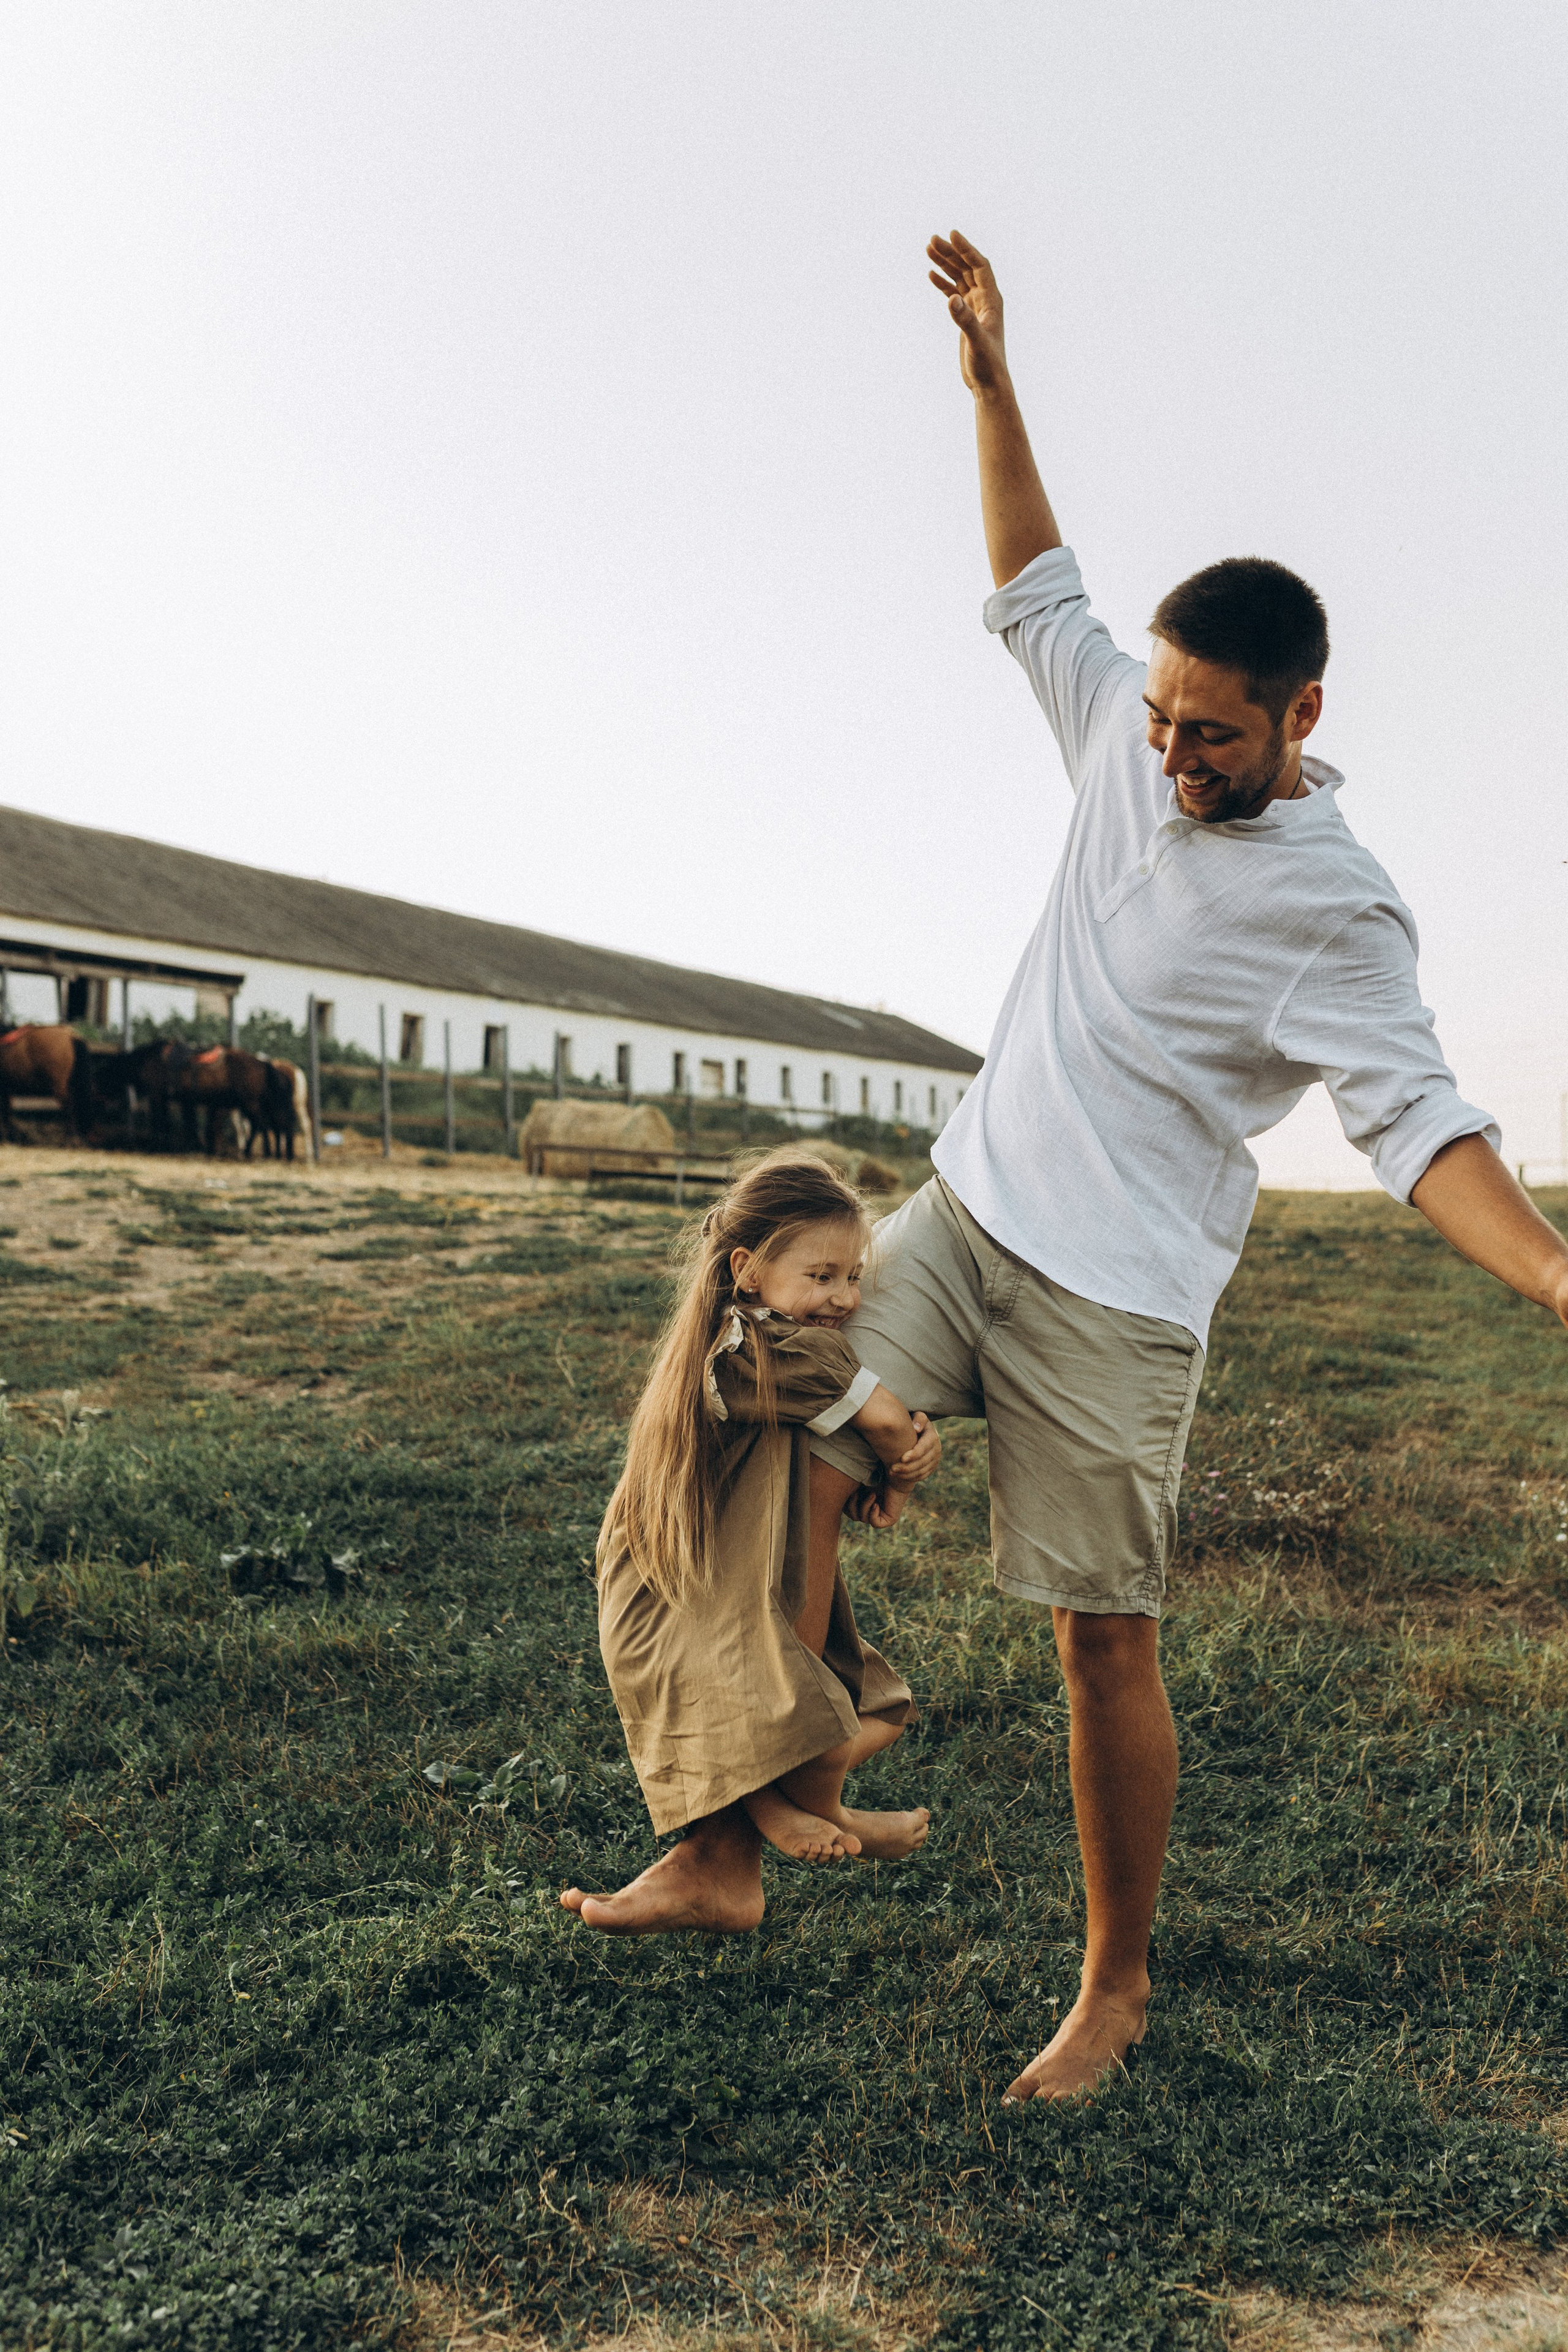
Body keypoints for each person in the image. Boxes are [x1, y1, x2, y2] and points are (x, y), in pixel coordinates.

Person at [803, 230, 1568, 2102]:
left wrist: (1550, 1274)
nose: (1169, 753)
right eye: (1157, 715)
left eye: (1208, 733)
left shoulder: (1336, 905)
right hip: (961, 1211)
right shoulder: (1118, 737)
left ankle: (1115, 1981)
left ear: (1299, 716)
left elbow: (1419, 1123)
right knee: (775, 1453)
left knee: (1097, 1641)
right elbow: (1029, 581)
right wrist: (990, 372)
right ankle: (759, 1812)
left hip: (1115, 1296)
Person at [561, 1149, 941, 1936]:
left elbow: (887, 1425)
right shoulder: (757, 1352)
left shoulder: (765, 1336)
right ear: (747, 1268)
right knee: (776, 1707)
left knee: (874, 1709)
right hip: (667, 1584)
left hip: (713, 1564)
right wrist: (900, 1478)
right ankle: (787, 1807)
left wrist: (902, 1455)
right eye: (821, 1276)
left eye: (852, 1277)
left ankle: (790, 1812)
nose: (843, 1299)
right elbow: (885, 1423)